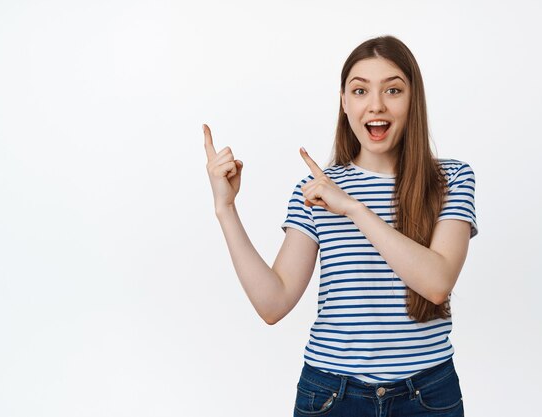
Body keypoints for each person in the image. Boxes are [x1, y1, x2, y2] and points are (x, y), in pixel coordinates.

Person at [203, 35, 477, 417]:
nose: (376, 105)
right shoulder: (314, 191)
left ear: (414, 99)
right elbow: (273, 303)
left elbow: (436, 283)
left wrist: (352, 208)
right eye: (360, 90)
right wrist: (226, 207)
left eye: (393, 90)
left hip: (427, 396)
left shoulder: (452, 179)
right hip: (332, 397)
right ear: (344, 102)